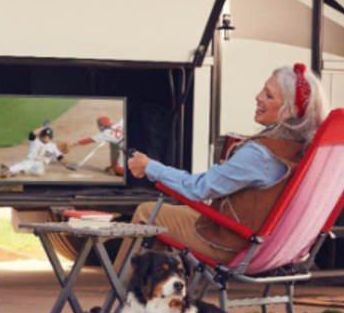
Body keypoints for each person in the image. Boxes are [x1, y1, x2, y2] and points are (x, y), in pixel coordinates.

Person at [128, 64, 329, 263]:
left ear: (289, 111)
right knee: (177, 212)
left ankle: (127, 291)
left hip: (232, 243)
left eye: (268, 95)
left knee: (148, 211)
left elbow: (198, 189)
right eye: (263, 90)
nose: (258, 96)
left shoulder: (260, 153)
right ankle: (155, 290)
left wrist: (149, 166)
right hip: (269, 245)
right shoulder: (303, 146)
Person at [0, 124, 69, 177]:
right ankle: (7, 171)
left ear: (51, 137)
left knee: (39, 173)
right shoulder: (35, 141)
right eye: (45, 136)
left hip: (41, 164)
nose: (46, 138)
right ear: (41, 135)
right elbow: (32, 134)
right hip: (31, 160)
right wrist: (43, 127)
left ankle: (22, 170)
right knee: (23, 165)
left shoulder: (53, 146)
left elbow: (60, 157)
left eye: (48, 136)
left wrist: (66, 164)